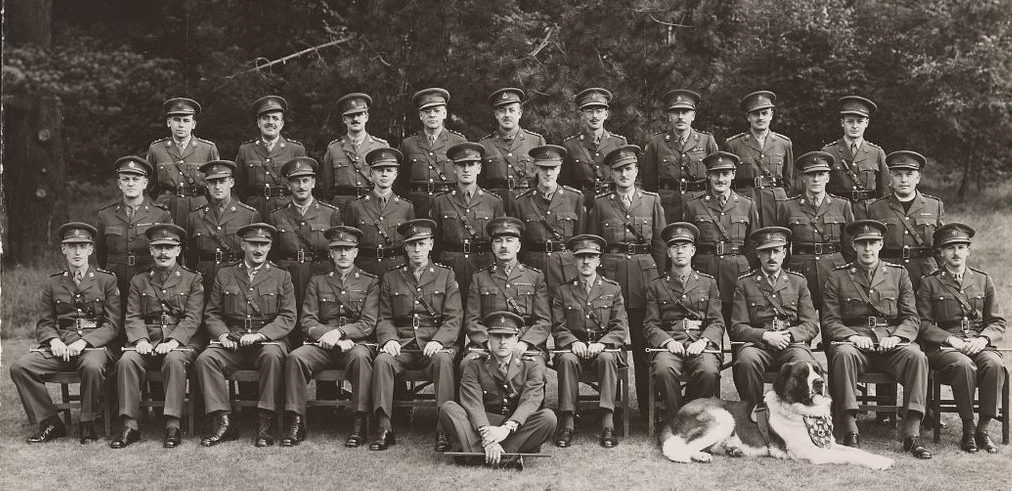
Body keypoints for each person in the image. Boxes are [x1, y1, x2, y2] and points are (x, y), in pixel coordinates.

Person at [821, 219, 932, 459]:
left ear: (881, 244)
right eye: (862, 244)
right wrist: (850, 336)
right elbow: (830, 321)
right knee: (842, 354)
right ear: (853, 246)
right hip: (857, 345)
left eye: (873, 243)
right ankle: (851, 429)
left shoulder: (898, 274)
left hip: (891, 344)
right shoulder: (838, 277)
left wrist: (897, 337)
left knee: (917, 357)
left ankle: (912, 434)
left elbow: (912, 318)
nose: (868, 249)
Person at [9, 223, 121, 444]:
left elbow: (112, 324)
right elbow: (44, 322)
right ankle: (50, 422)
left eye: (83, 246)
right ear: (63, 249)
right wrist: (53, 340)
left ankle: (87, 422)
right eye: (72, 246)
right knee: (20, 367)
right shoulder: (53, 283)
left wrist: (85, 342)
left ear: (91, 249)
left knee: (92, 366)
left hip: (93, 348)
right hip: (61, 348)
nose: (77, 252)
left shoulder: (106, 280)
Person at [195, 223, 297, 447]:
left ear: (270, 246)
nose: (258, 249)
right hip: (233, 340)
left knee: (272, 356)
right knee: (206, 359)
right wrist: (222, 335)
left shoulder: (282, 276)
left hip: (267, 342)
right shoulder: (225, 274)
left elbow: (288, 317)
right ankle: (224, 421)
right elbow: (212, 313)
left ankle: (265, 422)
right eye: (253, 244)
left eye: (264, 244)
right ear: (243, 245)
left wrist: (261, 335)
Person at [585, 144, 666, 418]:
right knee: (611, 346)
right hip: (611, 280)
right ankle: (614, 410)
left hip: (645, 281)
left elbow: (660, 245)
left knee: (645, 349)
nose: (623, 174)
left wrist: (661, 281)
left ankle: (647, 409)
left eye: (628, 169)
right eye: (618, 170)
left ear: (636, 171)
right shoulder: (600, 204)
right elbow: (593, 246)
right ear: (611, 174)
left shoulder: (652, 201)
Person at [281, 226, 379, 448]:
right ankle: (297, 421)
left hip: (355, 344)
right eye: (338, 249)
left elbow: (368, 322)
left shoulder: (369, 282)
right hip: (323, 345)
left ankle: (359, 421)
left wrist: (341, 333)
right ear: (331, 254)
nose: (343, 254)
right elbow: (307, 320)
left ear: (356, 252)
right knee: (296, 357)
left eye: (348, 249)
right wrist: (329, 335)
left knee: (361, 359)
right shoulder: (318, 281)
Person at [370, 219, 462, 452]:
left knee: (443, 360)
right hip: (402, 344)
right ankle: (384, 427)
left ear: (431, 244)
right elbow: (384, 317)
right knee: (382, 360)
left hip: (433, 342)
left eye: (422, 243)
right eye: (412, 245)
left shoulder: (445, 275)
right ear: (406, 248)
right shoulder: (392, 277)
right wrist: (389, 339)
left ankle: (444, 428)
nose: (417, 249)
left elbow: (454, 318)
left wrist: (439, 340)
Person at [111, 224, 205, 449]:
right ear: (151, 250)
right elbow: (132, 316)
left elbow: (193, 317)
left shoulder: (193, 279)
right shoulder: (139, 280)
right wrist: (140, 340)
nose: (164, 253)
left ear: (179, 250)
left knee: (174, 360)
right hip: (148, 337)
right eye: (158, 247)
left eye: (169, 247)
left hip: (181, 339)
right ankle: (129, 425)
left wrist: (173, 341)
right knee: (127, 360)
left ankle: (173, 424)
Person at [917, 223, 1006, 454]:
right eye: (950, 248)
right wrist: (950, 340)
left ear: (969, 250)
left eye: (961, 247)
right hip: (945, 347)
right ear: (941, 252)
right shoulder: (929, 282)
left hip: (977, 341)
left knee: (994, 363)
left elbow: (997, 321)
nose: (956, 253)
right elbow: (923, 324)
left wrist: (983, 339)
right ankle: (968, 428)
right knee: (963, 364)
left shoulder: (983, 280)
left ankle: (983, 429)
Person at [439, 311, 558, 470]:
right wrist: (488, 436)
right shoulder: (474, 365)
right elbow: (473, 403)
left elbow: (530, 402)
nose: (502, 342)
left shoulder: (531, 365)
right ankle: (506, 457)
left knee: (548, 418)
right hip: (482, 422)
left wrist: (506, 429)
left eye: (508, 337)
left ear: (516, 340)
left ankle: (475, 455)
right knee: (448, 409)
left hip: (513, 424)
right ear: (489, 340)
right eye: (497, 336)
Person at [551, 234, 629, 448]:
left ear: (598, 260)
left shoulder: (612, 289)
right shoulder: (563, 290)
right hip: (574, 350)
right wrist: (571, 342)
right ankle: (567, 423)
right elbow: (558, 326)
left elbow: (620, 326)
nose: (586, 261)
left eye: (591, 257)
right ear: (574, 261)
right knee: (566, 359)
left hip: (603, 349)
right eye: (581, 257)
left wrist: (602, 343)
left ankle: (607, 424)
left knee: (606, 358)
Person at [729, 226, 820, 407]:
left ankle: (798, 411)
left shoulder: (798, 282)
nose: (771, 256)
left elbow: (811, 324)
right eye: (766, 251)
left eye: (776, 251)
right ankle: (753, 413)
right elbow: (738, 327)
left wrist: (789, 335)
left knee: (803, 362)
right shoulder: (745, 283)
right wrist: (765, 336)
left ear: (784, 253)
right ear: (758, 254)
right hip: (759, 346)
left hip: (791, 345)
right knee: (746, 360)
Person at [643, 222, 723, 420]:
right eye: (675, 247)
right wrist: (668, 342)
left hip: (699, 341)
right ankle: (676, 418)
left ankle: (691, 415)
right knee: (662, 369)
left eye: (685, 246)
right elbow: (650, 324)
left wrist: (703, 342)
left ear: (693, 250)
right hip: (671, 341)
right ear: (668, 252)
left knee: (708, 370)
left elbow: (717, 322)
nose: (680, 252)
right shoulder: (657, 285)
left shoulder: (708, 282)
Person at [461, 217, 551, 371]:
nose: (504, 246)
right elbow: (472, 320)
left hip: (522, 343)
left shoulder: (534, 277)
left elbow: (543, 321)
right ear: (493, 247)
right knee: (467, 364)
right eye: (498, 241)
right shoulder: (479, 278)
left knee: (537, 367)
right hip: (490, 341)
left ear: (518, 246)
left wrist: (525, 342)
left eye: (509, 240)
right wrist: (488, 342)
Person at [682, 151, 759, 326]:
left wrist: (745, 268)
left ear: (733, 175)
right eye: (715, 174)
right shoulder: (694, 206)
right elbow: (687, 243)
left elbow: (753, 243)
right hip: (704, 273)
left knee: (739, 330)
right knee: (707, 331)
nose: (720, 179)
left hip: (737, 275)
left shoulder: (747, 205)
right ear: (708, 175)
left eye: (725, 174)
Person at [429, 142, 506, 307]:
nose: (466, 169)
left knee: (484, 317)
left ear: (479, 168)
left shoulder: (493, 202)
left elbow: (499, 241)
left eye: (471, 164)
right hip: (450, 267)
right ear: (454, 169)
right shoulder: (440, 201)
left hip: (483, 266)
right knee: (451, 316)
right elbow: (435, 244)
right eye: (461, 165)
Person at [775, 150, 855, 308]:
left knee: (834, 322)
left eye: (820, 174)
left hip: (833, 269)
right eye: (811, 175)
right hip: (800, 271)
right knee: (800, 321)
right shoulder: (788, 207)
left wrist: (848, 275)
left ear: (828, 177)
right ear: (803, 178)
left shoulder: (842, 206)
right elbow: (781, 246)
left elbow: (850, 248)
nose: (816, 179)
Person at [267, 157, 342, 310]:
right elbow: (272, 254)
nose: (301, 186)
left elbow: (338, 251)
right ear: (288, 185)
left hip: (320, 276)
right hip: (287, 277)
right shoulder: (276, 216)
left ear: (313, 183)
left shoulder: (330, 213)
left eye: (305, 180)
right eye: (296, 181)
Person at [96, 156, 173, 302]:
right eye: (125, 179)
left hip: (148, 280)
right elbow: (101, 255)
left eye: (135, 179)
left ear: (144, 183)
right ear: (119, 183)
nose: (130, 184)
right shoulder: (105, 215)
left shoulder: (160, 214)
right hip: (115, 281)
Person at [509, 144, 585, 290]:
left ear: (559, 169)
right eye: (543, 168)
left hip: (565, 271)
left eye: (553, 168)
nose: (548, 173)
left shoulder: (574, 198)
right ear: (535, 169)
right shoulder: (521, 202)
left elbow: (580, 240)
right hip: (532, 270)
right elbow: (520, 245)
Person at [866, 150, 944, 291]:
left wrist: (942, 277)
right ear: (890, 178)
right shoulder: (876, 208)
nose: (903, 180)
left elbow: (941, 247)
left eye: (909, 175)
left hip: (925, 276)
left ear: (918, 178)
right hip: (889, 277)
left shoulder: (934, 206)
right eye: (898, 175)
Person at [641, 89, 719, 223]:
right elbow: (649, 181)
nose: (680, 117)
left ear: (693, 115)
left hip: (700, 203)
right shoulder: (657, 142)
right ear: (669, 116)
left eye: (685, 112)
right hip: (667, 205)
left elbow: (716, 176)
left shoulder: (706, 140)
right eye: (676, 112)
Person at [186, 160, 261, 294]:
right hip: (205, 280)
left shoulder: (249, 215)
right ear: (207, 185)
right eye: (213, 182)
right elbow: (190, 257)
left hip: (237, 280)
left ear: (231, 183)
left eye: (222, 181)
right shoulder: (195, 216)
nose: (217, 187)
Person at [146, 97, 220, 229]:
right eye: (176, 120)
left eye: (186, 121)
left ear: (193, 124)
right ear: (169, 122)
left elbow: (215, 183)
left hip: (198, 208)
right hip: (166, 208)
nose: (181, 125)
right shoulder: (156, 149)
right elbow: (150, 185)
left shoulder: (208, 149)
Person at [723, 90, 794, 226]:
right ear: (748, 117)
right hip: (746, 204)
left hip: (776, 206)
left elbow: (787, 182)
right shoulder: (734, 145)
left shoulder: (783, 143)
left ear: (771, 115)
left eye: (764, 113)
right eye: (756, 114)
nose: (760, 118)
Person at [342, 147, 415, 276]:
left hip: (397, 271)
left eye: (389, 170)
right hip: (365, 271)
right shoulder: (355, 206)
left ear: (395, 174)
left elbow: (410, 245)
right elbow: (349, 244)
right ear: (371, 174)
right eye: (380, 170)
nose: (384, 174)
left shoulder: (406, 207)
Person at [397, 88, 468, 218]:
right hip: (417, 206)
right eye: (427, 111)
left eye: (436, 111)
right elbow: (401, 182)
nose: (432, 115)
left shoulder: (458, 142)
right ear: (420, 116)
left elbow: (466, 179)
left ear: (445, 114)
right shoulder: (408, 144)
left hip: (449, 204)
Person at [234, 95, 308, 217]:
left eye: (275, 118)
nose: (270, 122)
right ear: (259, 123)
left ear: (281, 124)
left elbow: (304, 186)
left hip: (286, 211)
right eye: (265, 118)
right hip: (253, 210)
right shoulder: (245, 149)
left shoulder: (296, 150)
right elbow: (239, 186)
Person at [478, 87, 546, 209]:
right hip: (495, 206)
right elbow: (480, 183)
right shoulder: (484, 145)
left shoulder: (536, 141)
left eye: (511, 110)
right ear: (496, 115)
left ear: (519, 113)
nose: (507, 115)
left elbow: (544, 179)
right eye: (502, 111)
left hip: (528, 205)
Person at [821, 96, 888, 219]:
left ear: (866, 123)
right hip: (837, 214)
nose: (855, 126)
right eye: (850, 121)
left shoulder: (876, 153)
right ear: (842, 123)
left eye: (859, 121)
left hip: (867, 215)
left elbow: (884, 193)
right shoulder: (828, 152)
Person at [560, 88, 628, 209]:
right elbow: (566, 185)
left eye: (599, 111)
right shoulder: (570, 145)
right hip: (582, 206)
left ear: (606, 114)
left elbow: (625, 179)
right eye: (589, 111)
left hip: (612, 206)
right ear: (582, 115)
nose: (594, 116)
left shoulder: (618, 143)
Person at [320, 92, 389, 210]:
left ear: (366, 117)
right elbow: (327, 186)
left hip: (372, 206)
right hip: (343, 208)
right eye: (351, 115)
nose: (355, 119)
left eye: (359, 114)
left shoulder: (380, 147)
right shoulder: (334, 148)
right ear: (344, 119)